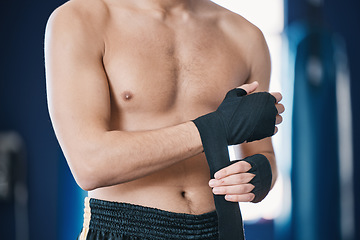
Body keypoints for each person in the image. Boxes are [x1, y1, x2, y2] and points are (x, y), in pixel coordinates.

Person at [44, 0, 285, 239]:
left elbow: (264, 153)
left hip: (218, 229)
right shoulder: (79, 19)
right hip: (124, 229)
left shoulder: (246, 36)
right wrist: (214, 128)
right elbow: (89, 165)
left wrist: (262, 174)